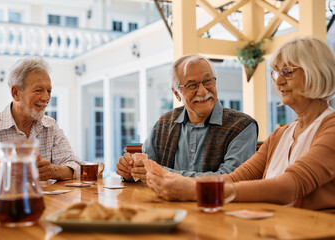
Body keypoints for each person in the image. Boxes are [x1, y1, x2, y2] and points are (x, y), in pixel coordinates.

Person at [146, 36, 335, 213]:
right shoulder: (280, 135)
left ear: (316, 72)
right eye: (276, 72)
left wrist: (193, 190)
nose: (278, 81)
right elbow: (232, 179)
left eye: (287, 72)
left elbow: (288, 187)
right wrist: (173, 180)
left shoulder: (331, 128)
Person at [116, 54, 258, 182]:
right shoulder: (163, 124)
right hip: (166, 209)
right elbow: (145, 171)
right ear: (177, 93)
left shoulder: (243, 126)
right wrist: (130, 171)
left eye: (208, 81)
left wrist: (162, 173)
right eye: (192, 85)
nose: (203, 91)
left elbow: (230, 179)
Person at [0, 58, 80, 184]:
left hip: (41, 203)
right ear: (16, 93)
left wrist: (53, 171)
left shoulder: (50, 126)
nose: (46, 98)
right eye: (38, 90)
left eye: (49, 91)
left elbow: (75, 167)